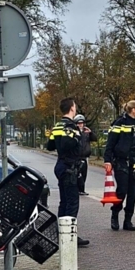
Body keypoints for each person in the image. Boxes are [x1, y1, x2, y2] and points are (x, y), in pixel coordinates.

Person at [103, 100, 135, 232]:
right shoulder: (119, 123)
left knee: (133, 193)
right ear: (133, 110)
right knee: (122, 191)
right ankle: (115, 215)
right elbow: (110, 143)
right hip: (121, 162)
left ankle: (128, 220)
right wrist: (107, 160)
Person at [46, 98, 89, 248]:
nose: (75, 108)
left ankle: (61, 232)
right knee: (72, 202)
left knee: (64, 201)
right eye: (75, 106)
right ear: (71, 108)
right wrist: (79, 136)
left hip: (60, 166)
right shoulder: (71, 127)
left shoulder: (57, 126)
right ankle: (70, 236)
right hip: (70, 167)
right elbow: (68, 145)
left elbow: (50, 146)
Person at [74, 114, 97, 196]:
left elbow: (95, 139)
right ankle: (78, 189)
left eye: (82, 123)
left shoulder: (86, 133)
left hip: (85, 156)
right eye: (78, 123)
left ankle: (82, 189)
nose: (80, 125)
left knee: (84, 174)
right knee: (78, 174)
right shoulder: (75, 132)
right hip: (77, 157)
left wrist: (90, 133)